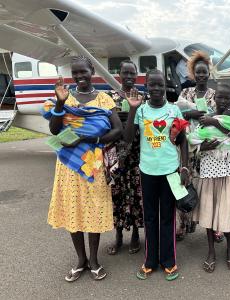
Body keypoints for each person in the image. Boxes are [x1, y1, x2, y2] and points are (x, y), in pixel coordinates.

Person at [43, 56, 122, 281]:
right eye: (75, 73)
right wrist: (60, 102)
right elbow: (54, 130)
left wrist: (90, 140)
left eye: (83, 72)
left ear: (92, 70)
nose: (79, 77)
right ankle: (80, 260)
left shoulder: (104, 99)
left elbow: (117, 130)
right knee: (73, 209)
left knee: (94, 208)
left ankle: (94, 260)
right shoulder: (66, 98)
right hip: (68, 164)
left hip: (93, 162)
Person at [124, 69, 190, 281]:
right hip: (148, 172)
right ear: (146, 87)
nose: (156, 89)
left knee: (167, 217)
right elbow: (127, 138)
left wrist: (185, 167)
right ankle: (150, 261)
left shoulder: (174, 111)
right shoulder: (141, 111)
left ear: (165, 87)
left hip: (170, 171)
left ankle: (169, 261)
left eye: (160, 85)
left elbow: (183, 140)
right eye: (152, 85)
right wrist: (133, 110)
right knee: (150, 217)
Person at [190, 83, 230, 272]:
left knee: (226, 213)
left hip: (228, 172)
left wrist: (214, 123)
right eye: (219, 97)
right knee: (209, 213)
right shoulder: (205, 116)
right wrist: (202, 147)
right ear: (215, 98)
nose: (222, 100)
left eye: (226, 97)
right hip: (208, 172)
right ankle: (211, 251)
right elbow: (194, 139)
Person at [175, 51, 224, 243]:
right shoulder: (185, 93)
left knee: (210, 188)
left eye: (204, 72)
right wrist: (190, 113)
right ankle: (184, 223)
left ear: (209, 73)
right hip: (189, 146)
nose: (202, 75)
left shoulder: (215, 94)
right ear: (193, 74)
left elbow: (220, 117)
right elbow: (178, 117)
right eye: (198, 72)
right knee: (186, 184)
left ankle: (214, 227)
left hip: (209, 147)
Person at [106, 60, 143, 255]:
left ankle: (136, 234)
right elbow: (108, 123)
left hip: (137, 153)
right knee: (118, 195)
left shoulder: (141, 97)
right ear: (118, 73)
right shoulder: (110, 97)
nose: (129, 77)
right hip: (116, 154)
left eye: (132, 73)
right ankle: (119, 235)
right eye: (125, 73)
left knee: (136, 195)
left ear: (137, 75)